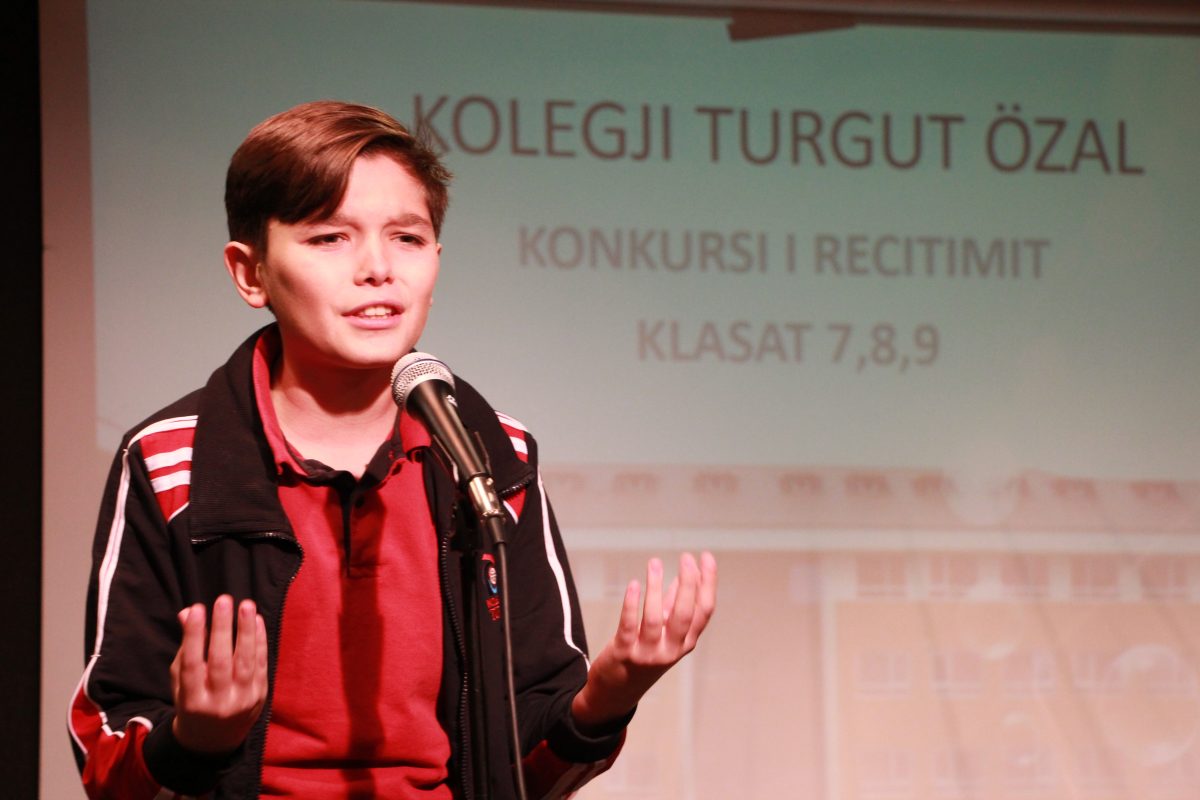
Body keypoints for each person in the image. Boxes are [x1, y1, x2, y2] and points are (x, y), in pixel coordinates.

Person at [69, 100, 717, 800]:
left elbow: (523, 772)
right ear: (250, 273)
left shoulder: (492, 459)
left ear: (437, 260)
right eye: (329, 238)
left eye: (407, 237)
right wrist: (195, 739)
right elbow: (107, 758)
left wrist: (607, 697)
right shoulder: (170, 460)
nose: (378, 269)